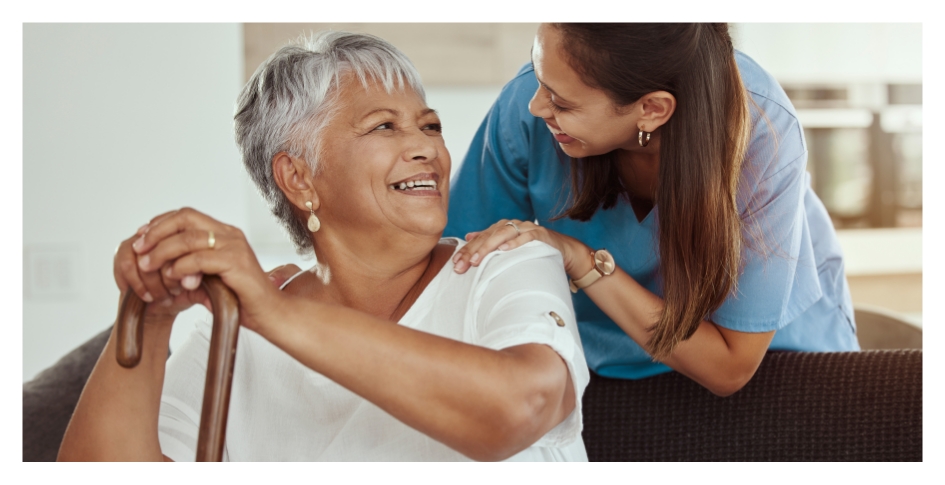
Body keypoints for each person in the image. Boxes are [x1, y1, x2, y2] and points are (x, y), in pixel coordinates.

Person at [58, 31, 589, 462]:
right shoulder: (234, 329)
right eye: (385, 126)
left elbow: (519, 409)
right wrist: (148, 320)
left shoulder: (507, 262)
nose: (427, 146)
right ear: (299, 178)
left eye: (431, 125)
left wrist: (273, 314)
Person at [446, 23, 860, 397]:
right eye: (539, 81)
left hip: (768, 358)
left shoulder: (763, 129)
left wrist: (581, 260)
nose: (536, 106)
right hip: (597, 360)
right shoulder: (528, 105)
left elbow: (729, 366)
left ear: (652, 109)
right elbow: (460, 273)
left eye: (561, 102)